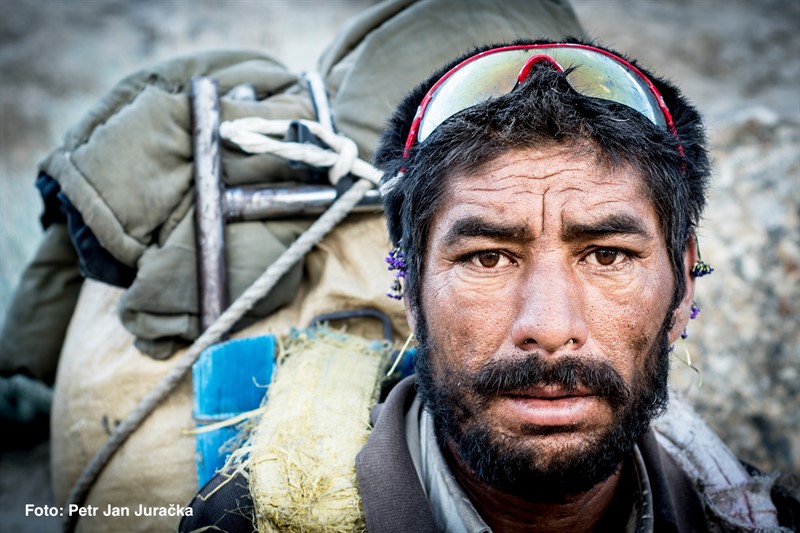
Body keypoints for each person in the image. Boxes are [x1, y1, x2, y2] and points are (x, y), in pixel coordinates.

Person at [181, 39, 795, 532]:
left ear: (683, 280)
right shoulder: (239, 521)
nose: (551, 328)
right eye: (488, 258)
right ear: (410, 282)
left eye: (607, 255)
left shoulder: (754, 515)